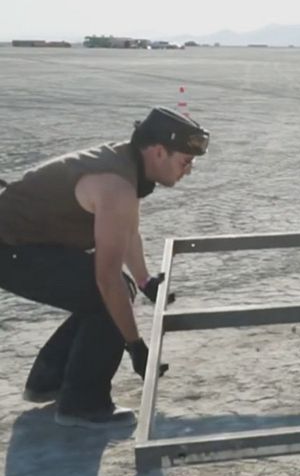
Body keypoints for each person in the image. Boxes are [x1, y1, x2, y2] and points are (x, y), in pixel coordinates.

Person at [0, 107, 209, 428]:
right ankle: (83, 403)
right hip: (10, 250)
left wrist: (144, 281)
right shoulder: (116, 185)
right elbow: (107, 279)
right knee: (109, 295)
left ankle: (49, 379)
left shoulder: (126, 163)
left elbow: (128, 231)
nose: (189, 170)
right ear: (158, 152)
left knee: (108, 292)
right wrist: (135, 346)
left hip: (21, 243)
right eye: (185, 161)